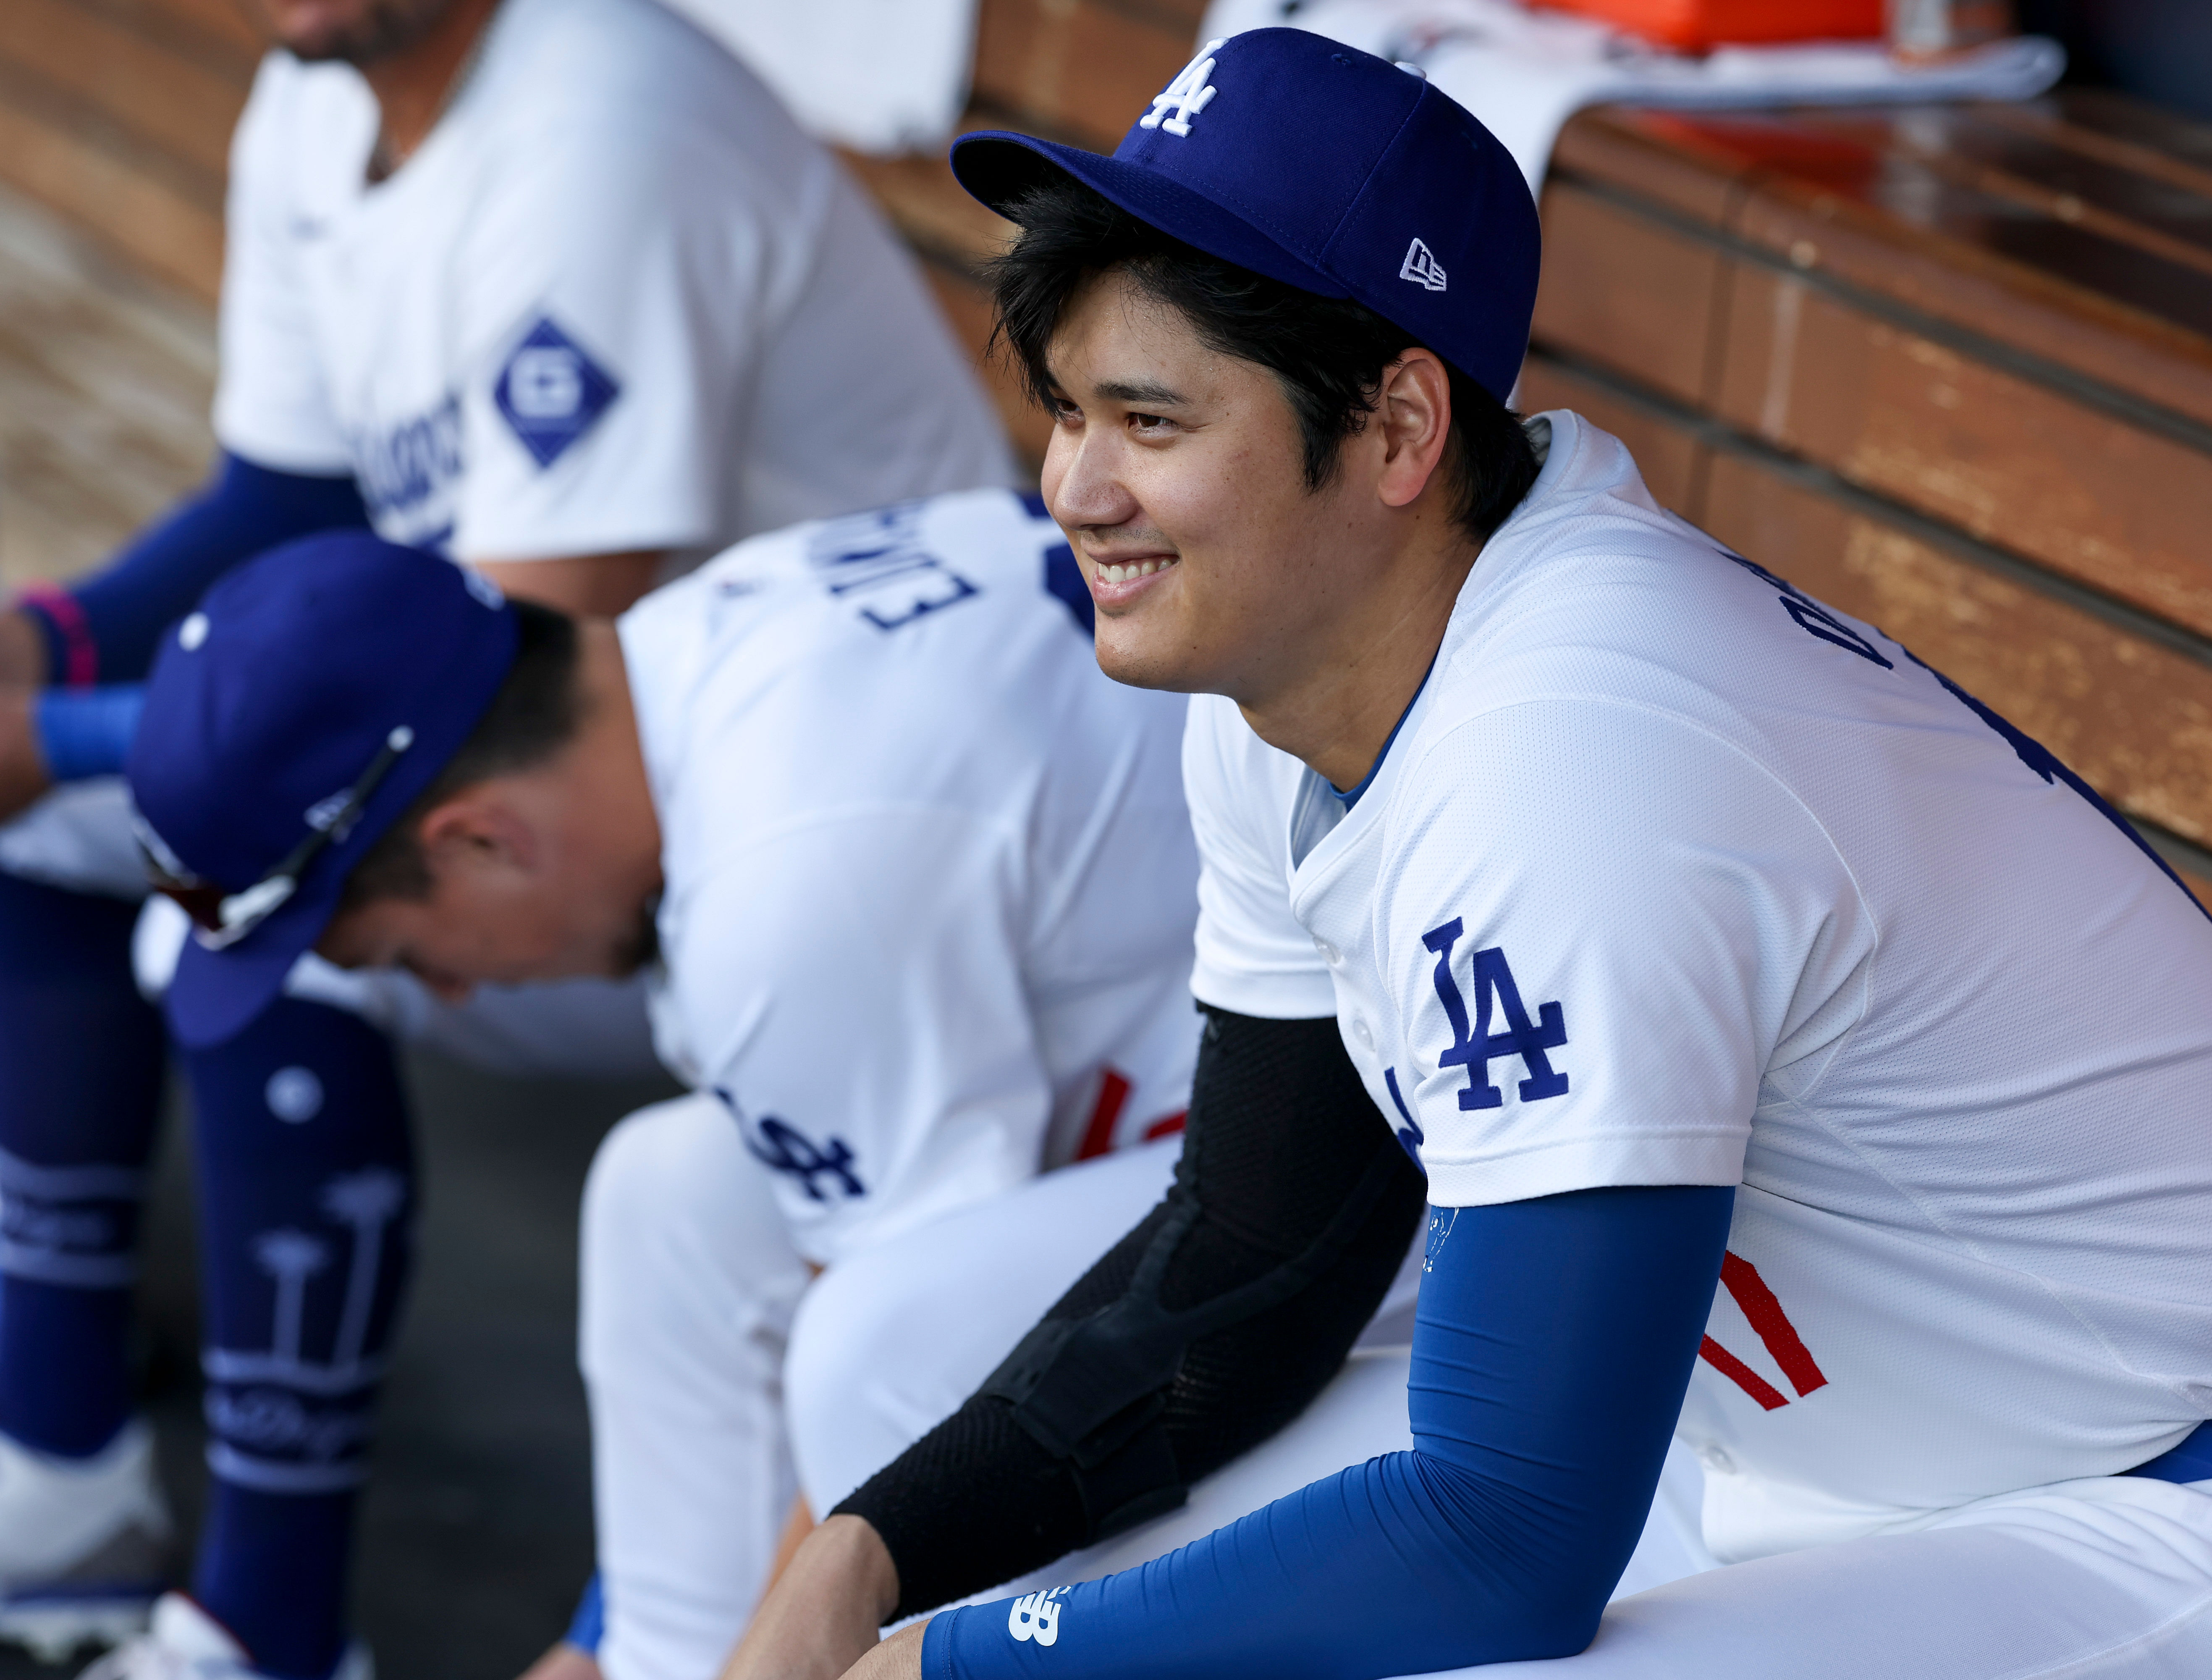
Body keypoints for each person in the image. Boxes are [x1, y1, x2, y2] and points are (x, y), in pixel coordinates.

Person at [718, 28, 2212, 1680]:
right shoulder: (1295, 682)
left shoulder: (1579, 742)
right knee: (890, 1368)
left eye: (1154, 423)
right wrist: (871, 1562)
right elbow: (1260, 1251)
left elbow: (1504, 1540)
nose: (1076, 488)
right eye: (1069, 410)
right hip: (1839, 1462)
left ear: (1401, 429)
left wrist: (986, 1658)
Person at [0, 0, 1010, 1669]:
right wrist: (46, 646)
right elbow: (289, 503)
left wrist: (51, 736)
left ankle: (270, 1626)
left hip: (790, 859)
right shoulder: (313, 110)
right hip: (653, 809)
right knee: (79, 849)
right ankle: (61, 1469)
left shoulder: (599, 129)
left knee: (238, 924)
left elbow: (492, 664)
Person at [111, 492, 1378, 1680]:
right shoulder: (716, 636)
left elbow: (926, 1408)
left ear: (482, 837)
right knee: (665, 1193)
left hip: (1379, 1159)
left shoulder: (777, 890)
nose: (449, 992)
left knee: (877, 1350)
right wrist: (605, 1642)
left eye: (405, 951)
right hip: (1213, 1066)